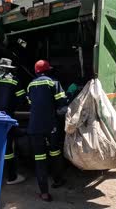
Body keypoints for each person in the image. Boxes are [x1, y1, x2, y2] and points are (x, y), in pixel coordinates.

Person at [27, 60, 67, 202]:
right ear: (48, 70)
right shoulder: (53, 83)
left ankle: (44, 193)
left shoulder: (30, 85)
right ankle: (58, 180)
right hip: (51, 126)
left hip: (34, 126)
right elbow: (62, 104)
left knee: (39, 159)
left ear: (37, 71)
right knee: (55, 152)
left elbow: (31, 103)